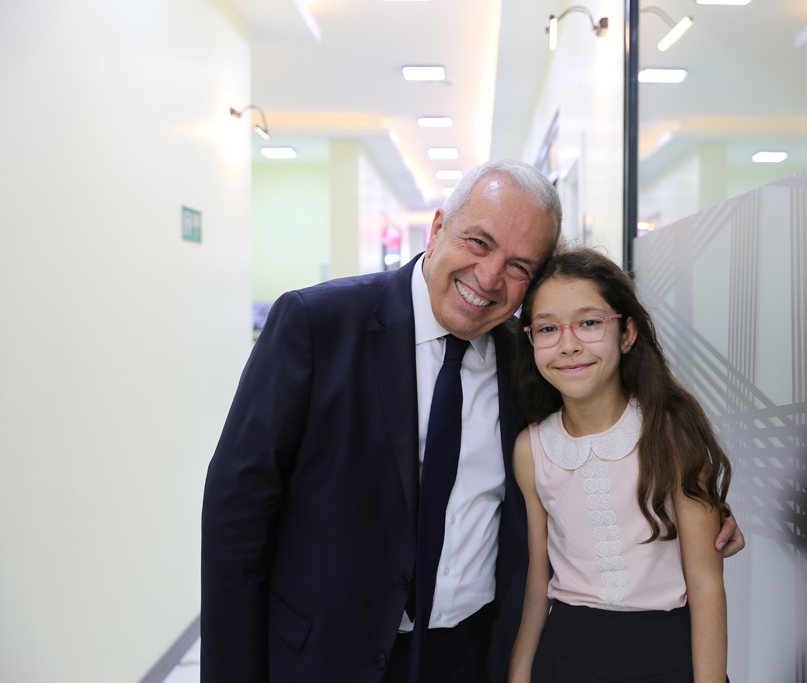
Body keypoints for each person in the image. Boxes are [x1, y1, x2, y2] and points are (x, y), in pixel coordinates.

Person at [201, 158, 744, 683]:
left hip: (470, 655)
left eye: (519, 267)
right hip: (328, 654)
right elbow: (237, 514)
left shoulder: (531, 363)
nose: (488, 277)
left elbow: (595, 452)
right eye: (479, 242)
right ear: (438, 227)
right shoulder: (318, 323)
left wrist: (697, 511)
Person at [508, 248, 732, 683]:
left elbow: (707, 585)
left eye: (590, 323)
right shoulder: (530, 448)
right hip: (564, 658)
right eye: (548, 328)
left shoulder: (670, 432)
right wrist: (519, 674)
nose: (569, 345)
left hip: (670, 659)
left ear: (627, 333)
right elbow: (537, 584)